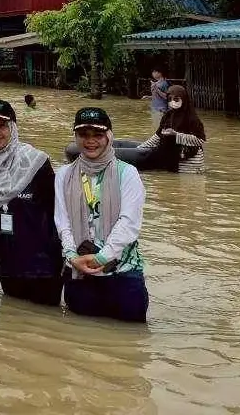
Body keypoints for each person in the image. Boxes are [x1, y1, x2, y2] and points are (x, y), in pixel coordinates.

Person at [0, 100, 63, 306]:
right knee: (9, 324)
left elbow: (59, 212)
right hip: (7, 260)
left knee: (46, 325)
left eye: (2, 126)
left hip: (42, 263)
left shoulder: (36, 161)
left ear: (13, 127)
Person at [55, 107, 149, 323]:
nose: (90, 141)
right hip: (79, 273)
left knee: (131, 344)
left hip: (123, 274)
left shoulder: (127, 173)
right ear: (76, 137)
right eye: (83, 135)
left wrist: (102, 257)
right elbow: (62, 221)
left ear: (109, 136)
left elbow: (129, 223)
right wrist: (71, 257)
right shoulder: (64, 175)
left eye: (97, 134)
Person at [136, 84, 206, 173]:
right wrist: (139, 149)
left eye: (176, 99)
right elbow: (157, 136)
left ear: (183, 99)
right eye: (170, 99)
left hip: (191, 164)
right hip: (173, 161)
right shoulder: (168, 116)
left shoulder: (192, 118)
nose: (173, 102)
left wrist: (176, 135)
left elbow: (200, 140)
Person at [145, 67, 170, 132]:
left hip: (161, 110)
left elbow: (166, 97)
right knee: (155, 128)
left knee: (160, 129)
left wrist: (156, 89)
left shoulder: (164, 83)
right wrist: (148, 97)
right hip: (154, 109)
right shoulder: (156, 83)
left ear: (160, 73)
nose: (153, 73)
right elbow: (156, 97)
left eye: (154, 72)